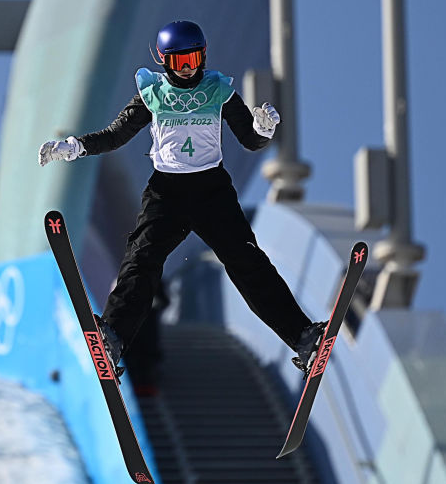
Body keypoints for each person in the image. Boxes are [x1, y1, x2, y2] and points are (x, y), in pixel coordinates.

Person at [38, 20, 325, 377]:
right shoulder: (153, 94)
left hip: (212, 191)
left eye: (193, 59)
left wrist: (263, 130)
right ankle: (111, 335)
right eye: (179, 62)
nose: (188, 69)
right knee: (141, 260)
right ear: (164, 61)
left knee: (247, 262)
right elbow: (116, 135)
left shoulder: (218, 90)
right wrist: (75, 146)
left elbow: (249, 140)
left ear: (203, 56)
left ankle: (303, 337)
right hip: (166, 193)